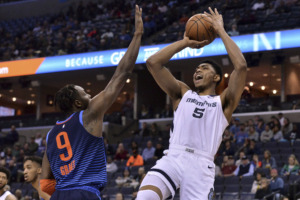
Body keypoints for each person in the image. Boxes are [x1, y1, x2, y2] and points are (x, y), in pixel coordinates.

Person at [136, 7, 247, 200]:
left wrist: (220, 30)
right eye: (196, 68)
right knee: (146, 197)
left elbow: (241, 66)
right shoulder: (182, 93)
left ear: (216, 77)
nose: (198, 70)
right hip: (174, 157)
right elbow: (153, 63)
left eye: (204, 68)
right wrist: (185, 42)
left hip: (201, 165)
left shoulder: (224, 102)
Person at [40, 5, 143, 200]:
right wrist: (137, 34)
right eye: (86, 93)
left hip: (59, 195)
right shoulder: (88, 114)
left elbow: (44, 182)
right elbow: (121, 75)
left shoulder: (50, 134)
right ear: (78, 103)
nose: (90, 95)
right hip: (84, 192)